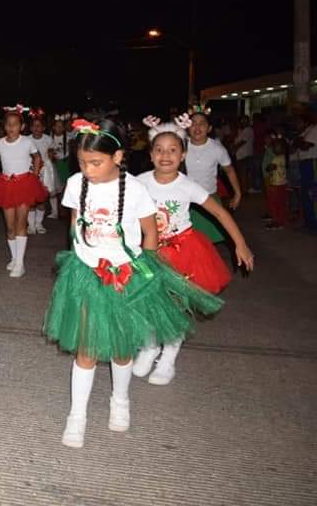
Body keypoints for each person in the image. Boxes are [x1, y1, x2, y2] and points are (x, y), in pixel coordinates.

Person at [43, 118, 223, 448]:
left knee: (122, 348)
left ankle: (120, 400)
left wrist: (144, 271)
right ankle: (77, 415)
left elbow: (150, 232)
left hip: (125, 273)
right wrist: (79, 258)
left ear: (118, 157)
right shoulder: (74, 184)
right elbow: (74, 226)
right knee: (87, 348)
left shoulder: (136, 190)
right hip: (86, 273)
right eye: (82, 162)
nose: (87, 169)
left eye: (94, 162)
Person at [133, 115, 253, 385]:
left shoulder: (187, 185)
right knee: (147, 301)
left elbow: (220, 214)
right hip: (149, 250)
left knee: (176, 304)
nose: (166, 155)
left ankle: (168, 357)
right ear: (151, 154)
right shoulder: (138, 182)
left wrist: (241, 244)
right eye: (160, 150)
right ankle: (150, 346)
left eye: (173, 150)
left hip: (182, 250)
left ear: (183, 154)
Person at [0, 106, 46, 278]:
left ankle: (20, 264)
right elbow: (1, 162)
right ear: (4, 126)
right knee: (10, 227)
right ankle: (14, 258)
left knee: (21, 224)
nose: (11, 127)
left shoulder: (27, 142)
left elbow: (37, 158)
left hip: (24, 185)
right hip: (6, 185)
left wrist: (34, 176)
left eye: (15, 124)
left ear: (21, 127)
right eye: (8, 124)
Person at [184, 108, 242, 243]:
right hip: (185, 200)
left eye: (202, 123)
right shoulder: (180, 145)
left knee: (207, 242)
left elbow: (229, 170)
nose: (197, 127)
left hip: (208, 199)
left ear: (209, 128)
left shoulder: (217, 148)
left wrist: (237, 193)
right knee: (186, 240)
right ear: (187, 127)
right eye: (193, 123)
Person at [27, 111, 57, 232]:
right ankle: (31, 225)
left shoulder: (48, 139)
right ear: (30, 128)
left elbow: (51, 154)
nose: (36, 128)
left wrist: (51, 156)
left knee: (41, 198)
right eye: (34, 126)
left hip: (44, 172)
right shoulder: (26, 140)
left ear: (43, 127)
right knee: (30, 199)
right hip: (30, 171)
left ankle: (39, 223)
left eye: (39, 126)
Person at [292, 112, 317, 231]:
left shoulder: (314, 129)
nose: (296, 124)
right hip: (304, 163)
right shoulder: (303, 132)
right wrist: (298, 140)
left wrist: (298, 141)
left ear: (307, 122)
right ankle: (309, 222)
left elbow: (305, 146)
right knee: (305, 194)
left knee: (311, 193)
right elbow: (292, 148)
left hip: (311, 163)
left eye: (298, 121)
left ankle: (313, 223)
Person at [264, 133, 289, 230]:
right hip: (283, 183)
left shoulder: (276, 158)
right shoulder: (284, 158)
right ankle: (281, 221)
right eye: (274, 147)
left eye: (277, 147)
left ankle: (276, 221)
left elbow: (270, 168)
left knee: (275, 203)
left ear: (282, 148)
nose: (275, 149)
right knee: (281, 203)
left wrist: (268, 167)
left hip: (275, 184)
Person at [49, 115, 71, 220]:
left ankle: (63, 210)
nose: (59, 128)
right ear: (53, 127)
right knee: (53, 187)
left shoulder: (69, 136)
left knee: (63, 187)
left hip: (64, 164)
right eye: (57, 126)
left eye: (61, 126)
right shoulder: (49, 137)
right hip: (54, 163)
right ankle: (54, 211)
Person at [233, 115, 255, 194]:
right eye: (241, 121)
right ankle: (244, 189)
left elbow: (242, 142)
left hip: (245, 155)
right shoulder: (242, 130)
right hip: (242, 155)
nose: (242, 122)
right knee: (243, 173)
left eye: (244, 121)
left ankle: (245, 190)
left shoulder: (248, 130)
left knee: (243, 174)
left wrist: (233, 149)